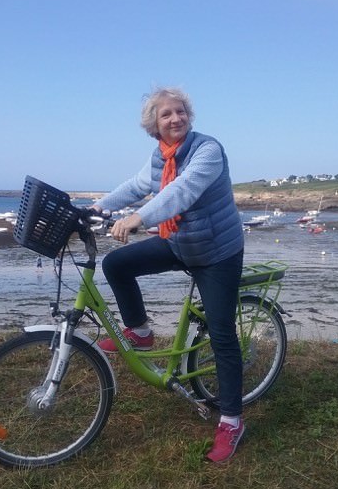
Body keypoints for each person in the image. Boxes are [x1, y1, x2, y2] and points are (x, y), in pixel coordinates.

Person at [92, 87, 245, 463]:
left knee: (222, 334)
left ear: (189, 116)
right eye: (166, 115)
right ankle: (141, 333)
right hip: (180, 243)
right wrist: (94, 208)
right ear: (154, 125)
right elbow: (136, 186)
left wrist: (139, 218)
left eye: (180, 112)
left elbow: (182, 191)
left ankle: (231, 420)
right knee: (116, 264)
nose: (175, 119)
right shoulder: (160, 156)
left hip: (217, 253)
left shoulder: (208, 150)